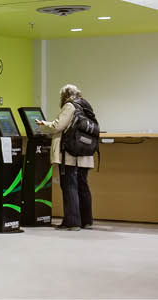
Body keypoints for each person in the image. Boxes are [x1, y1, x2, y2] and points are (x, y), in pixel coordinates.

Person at [36, 84, 95, 231]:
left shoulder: (70, 106)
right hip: (84, 153)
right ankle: (86, 221)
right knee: (83, 186)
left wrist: (43, 124)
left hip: (70, 154)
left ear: (65, 95)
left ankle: (72, 222)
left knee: (69, 185)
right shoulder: (86, 105)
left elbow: (58, 126)